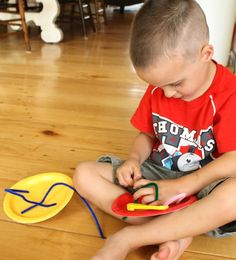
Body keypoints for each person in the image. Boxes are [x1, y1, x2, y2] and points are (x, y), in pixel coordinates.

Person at [73, 0, 236, 259]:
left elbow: (233, 160)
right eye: (159, 86)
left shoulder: (229, 93)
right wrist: (133, 160)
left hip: (205, 185)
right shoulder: (162, 86)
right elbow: (146, 134)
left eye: (176, 84)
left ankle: (130, 237)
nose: (167, 93)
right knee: (83, 174)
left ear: (206, 54)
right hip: (156, 176)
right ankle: (177, 229)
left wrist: (182, 186)